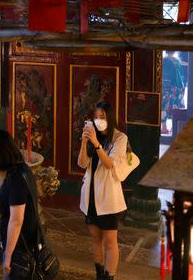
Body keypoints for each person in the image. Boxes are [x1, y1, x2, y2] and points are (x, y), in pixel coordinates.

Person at [77, 101, 128, 280]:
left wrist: (97, 144)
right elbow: (82, 163)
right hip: (91, 195)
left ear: (110, 118)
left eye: (103, 117)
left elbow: (109, 164)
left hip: (108, 198)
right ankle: (99, 275)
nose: (98, 121)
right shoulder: (92, 137)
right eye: (96, 117)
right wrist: (84, 143)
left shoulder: (120, 138)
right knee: (96, 239)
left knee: (110, 242)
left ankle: (109, 276)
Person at [0, 129, 41, 279]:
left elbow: (16, 221)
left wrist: (8, 256)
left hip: (19, 249)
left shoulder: (16, 179)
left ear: (0, 153)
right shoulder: (23, 169)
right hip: (25, 243)